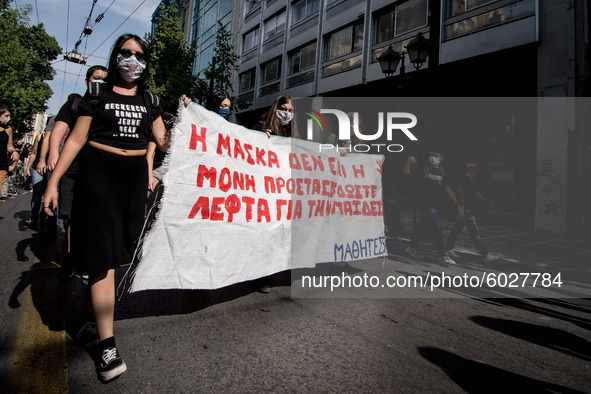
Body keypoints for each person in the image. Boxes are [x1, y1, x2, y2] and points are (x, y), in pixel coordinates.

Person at [43, 34, 168, 382]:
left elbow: (163, 141)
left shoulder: (151, 100)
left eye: (139, 55)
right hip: (98, 179)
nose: (132, 60)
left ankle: (85, 321)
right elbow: (77, 139)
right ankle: (107, 345)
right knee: (103, 261)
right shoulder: (98, 94)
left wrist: (190, 118)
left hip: (130, 185)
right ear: (115, 57)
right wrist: (53, 182)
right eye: (126, 53)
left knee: (113, 256)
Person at [47, 65, 108, 260]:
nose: (100, 82)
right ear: (87, 81)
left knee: (94, 217)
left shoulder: (109, 106)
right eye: (96, 78)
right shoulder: (75, 103)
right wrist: (52, 154)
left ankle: (87, 256)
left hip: (99, 171)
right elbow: (58, 129)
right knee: (72, 217)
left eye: (104, 80)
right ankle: (72, 259)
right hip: (73, 169)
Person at [402, 148, 455, 265]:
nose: (433, 157)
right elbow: (405, 172)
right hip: (423, 202)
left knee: (422, 226)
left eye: (436, 155)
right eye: (431, 155)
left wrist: (457, 204)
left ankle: (411, 248)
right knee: (436, 226)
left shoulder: (442, 172)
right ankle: (443, 254)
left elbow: (447, 188)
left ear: (441, 158)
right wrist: (408, 161)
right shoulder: (424, 167)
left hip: (434, 204)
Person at [445, 162, 501, 263]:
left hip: (466, 210)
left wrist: (490, 205)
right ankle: (485, 255)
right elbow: (461, 195)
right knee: (474, 233)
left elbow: (478, 195)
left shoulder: (471, 181)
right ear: (473, 171)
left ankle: (448, 249)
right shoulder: (465, 180)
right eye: (477, 170)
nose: (477, 172)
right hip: (466, 210)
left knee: (456, 231)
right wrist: (461, 209)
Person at [24, 116, 56, 226]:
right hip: (37, 166)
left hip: (50, 168)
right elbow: (33, 153)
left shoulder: (57, 137)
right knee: (37, 192)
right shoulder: (40, 137)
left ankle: (46, 216)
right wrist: (28, 167)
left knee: (49, 192)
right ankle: (33, 217)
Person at [0, 105, 19, 202]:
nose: (8, 118)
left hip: (1, 165)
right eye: (6, 116)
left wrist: (14, 151)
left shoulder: (8, 129)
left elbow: (9, 146)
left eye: (9, 116)